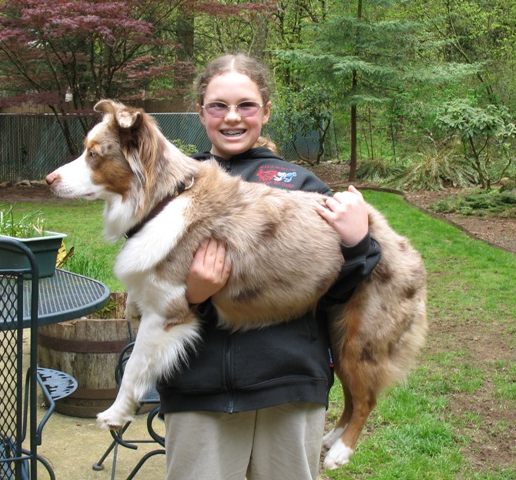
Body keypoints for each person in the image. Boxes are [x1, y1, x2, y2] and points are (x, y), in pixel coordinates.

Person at [156, 54, 381, 480]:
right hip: (197, 389)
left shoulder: (301, 186)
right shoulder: (174, 188)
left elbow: (337, 296)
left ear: (266, 112)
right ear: (201, 112)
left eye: (246, 105)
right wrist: (192, 294)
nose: (232, 117)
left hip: (289, 386)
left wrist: (357, 246)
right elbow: (145, 293)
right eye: (218, 106)